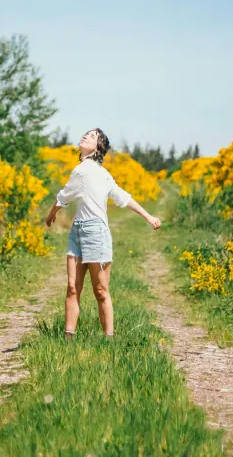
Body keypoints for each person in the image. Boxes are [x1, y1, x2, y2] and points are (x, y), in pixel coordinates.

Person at [45, 128, 161, 339]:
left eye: (91, 136)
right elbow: (64, 196)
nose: (85, 136)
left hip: (96, 232)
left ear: (98, 147)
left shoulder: (100, 173)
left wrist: (148, 217)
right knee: (72, 287)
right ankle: (68, 339)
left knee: (100, 290)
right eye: (85, 134)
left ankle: (109, 339)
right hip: (77, 231)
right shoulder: (80, 170)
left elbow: (123, 198)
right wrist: (51, 214)